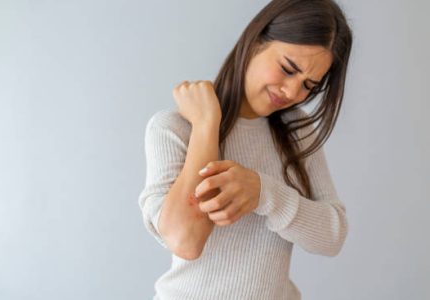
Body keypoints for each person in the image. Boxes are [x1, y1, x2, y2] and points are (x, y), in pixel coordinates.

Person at [138, 0, 352, 299]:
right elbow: (185, 241)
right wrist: (206, 125)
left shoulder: (296, 132)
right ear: (254, 42)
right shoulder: (175, 128)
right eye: (288, 69)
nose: (292, 92)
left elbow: (332, 236)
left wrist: (264, 193)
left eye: (309, 85)